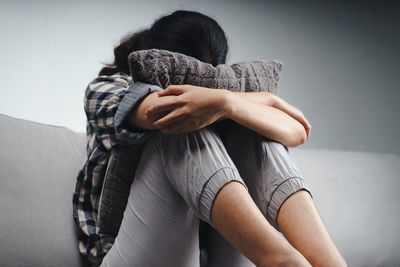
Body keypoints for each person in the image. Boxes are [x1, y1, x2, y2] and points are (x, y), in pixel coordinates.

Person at [73, 10, 347, 267]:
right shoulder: (107, 87)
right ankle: (281, 260)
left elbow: (298, 131)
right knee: (176, 124)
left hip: (207, 257)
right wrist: (258, 100)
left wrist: (228, 103)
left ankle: (329, 262)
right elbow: (164, 109)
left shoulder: (220, 99)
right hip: (128, 255)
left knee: (246, 128)